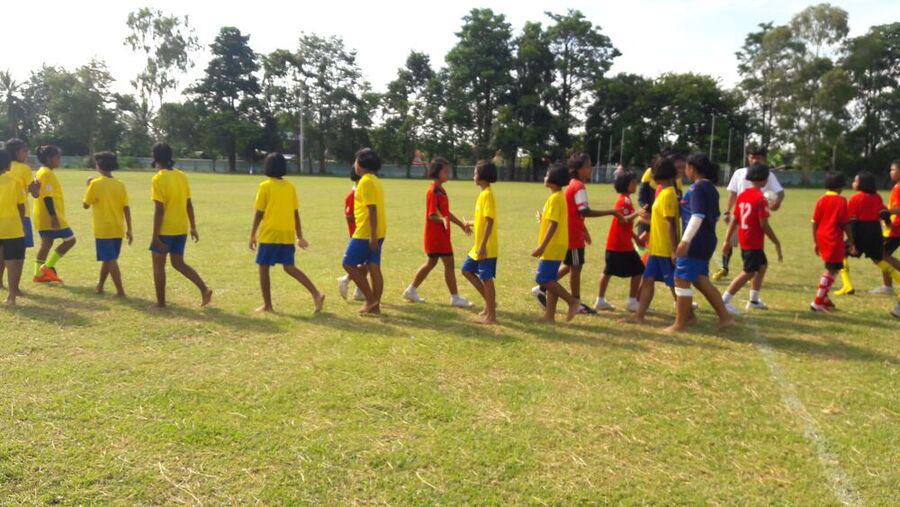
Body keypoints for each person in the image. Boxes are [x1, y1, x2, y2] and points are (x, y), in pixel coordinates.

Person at [532, 153, 619, 313]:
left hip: (569, 234)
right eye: (588, 166)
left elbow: (573, 213)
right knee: (575, 268)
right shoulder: (578, 186)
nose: (591, 169)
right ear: (578, 169)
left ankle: (545, 291)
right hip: (570, 236)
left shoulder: (570, 186)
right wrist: (612, 212)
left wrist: (584, 230)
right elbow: (584, 211)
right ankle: (574, 302)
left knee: (571, 266)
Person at [666, 153, 735, 332]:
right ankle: (725, 318)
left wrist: (685, 241)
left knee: (680, 279)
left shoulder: (697, 188)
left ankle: (681, 323)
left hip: (695, 242)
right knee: (700, 280)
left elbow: (697, 215)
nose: (685, 171)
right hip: (706, 240)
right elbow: (715, 216)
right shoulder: (711, 188)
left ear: (692, 168)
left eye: (686, 168)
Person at [249, 153, 325, 313]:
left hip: (270, 234)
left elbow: (259, 213)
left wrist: (252, 235)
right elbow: (295, 213)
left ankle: (267, 305)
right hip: (287, 234)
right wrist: (299, 236)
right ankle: (316, 293)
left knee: (263, 267)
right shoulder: (290, 187)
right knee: (289, 267)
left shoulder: (265, 186)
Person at [149, 142, 213, 308]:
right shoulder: (181, 176)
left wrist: (155, 236)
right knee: (178, 263)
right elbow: (188, 203)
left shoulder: (158, 179)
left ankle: (160, 303)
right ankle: (204, 289)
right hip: (181, 228)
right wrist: (193, 226)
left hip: (165, 230)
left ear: (155, 157)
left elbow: (159, 210)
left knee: (158, 265)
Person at [403, 157, 472, 306]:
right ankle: (455, 298)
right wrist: (444, 221)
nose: (448, 173)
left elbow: (445, 212)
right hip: (437, 236)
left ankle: (411, 290)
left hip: (440, 235)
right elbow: (432, 215)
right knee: (449, 263)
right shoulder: (434, 191)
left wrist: (461, 224)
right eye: (445, 171)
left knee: (431, 262)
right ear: (437, 172)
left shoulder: (440, 189)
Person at [713, 145, 785, 281]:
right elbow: (733, 194)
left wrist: (777, 202)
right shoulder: (739, 173)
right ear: (748, 158)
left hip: (756, 217)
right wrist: (727, 211)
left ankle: (751, 270)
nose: (755, 160)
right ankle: (724, 267)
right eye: (752, 157)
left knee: (751, 245)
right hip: (739, 213)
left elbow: (780, 192)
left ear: (764, 158)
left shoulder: (768, 174)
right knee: (730, 240)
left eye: (758, 158)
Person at [720, 164, 783, 314]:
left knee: (762, 266)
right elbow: (763, 224)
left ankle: (754, 300)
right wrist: (776, 242)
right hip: (753, 241)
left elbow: (735, 219)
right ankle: (723, 301)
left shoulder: (743, 195)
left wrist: (727, 240)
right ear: (765, 180)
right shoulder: (760, 199)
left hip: (745, 238)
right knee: (748, 272)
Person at [630, 157, 680, 324]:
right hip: (655, 248)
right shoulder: (663, 192)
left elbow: (670, 224)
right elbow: (660, 221)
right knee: (647, 280)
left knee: (674, 284)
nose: (651, 176)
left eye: (654, 172)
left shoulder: (669, 194)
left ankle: (687, 316)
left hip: (665, 249)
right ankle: (639, 317)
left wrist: (674, 250)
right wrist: (645, 219)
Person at [532, 163, 581, 323]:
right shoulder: (558, 196)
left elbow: (553, 225)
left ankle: (572, 301)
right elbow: (553, 221)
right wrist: (543, 220)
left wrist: (542, 246)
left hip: (552, 246)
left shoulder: (555, 198)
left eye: (547, 175)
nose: (544, 177)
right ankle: (549, 316)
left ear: (553, 179)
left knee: (542, 279)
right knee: (551, 279)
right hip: (558, 245)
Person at [839, 171, 900, 294]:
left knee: (841, 255)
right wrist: (888, 223)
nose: (853, 183)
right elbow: (884, 213)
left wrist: (851, 241)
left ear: (862, 184)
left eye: (855, 181)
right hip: (875, 233)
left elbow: (851, 220)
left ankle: (847, 285)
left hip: (860, 232)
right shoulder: (877, 197)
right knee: (878, 259)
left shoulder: (856, 198)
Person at [342, 148, 386, 314]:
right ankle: (375, 307)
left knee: (348, 263)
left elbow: (372, 209)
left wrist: (372, 236)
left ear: (360, 164)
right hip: (378, 230)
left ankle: (370, 299)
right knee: (373, 267)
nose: (354, 164)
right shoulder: (375, 180)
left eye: (355, 161)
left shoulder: (365, 181)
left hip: (366, 232)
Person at [82, 152, 132, 297]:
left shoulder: (95, 184)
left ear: (99, 166)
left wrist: (88, 187)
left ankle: (120, 291)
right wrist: (129, 229)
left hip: (103, 229)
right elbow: (126, 208)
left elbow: (86, 205)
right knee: (109, 258)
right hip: (118, 228)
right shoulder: (120, 184)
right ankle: (100, 286)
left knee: (110, 259)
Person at [595, 170, 644, 312]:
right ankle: (632, 301)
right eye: (633, 182)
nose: (636, 184)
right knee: (639, 270)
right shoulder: (624, 201)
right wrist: (637, 213)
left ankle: (600, 300)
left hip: (618, 243)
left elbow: (625, 225)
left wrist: (635, 238)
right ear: (625, 185)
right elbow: (623, 221)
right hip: (620, 245)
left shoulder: (625, 199)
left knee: (608, 271)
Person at [810, 173, 855, 312]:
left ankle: (824, 298)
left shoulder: (821, 199)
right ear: (840, 186)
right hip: (834, 238)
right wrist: (851, 240)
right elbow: (845, 223)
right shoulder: (841, 201)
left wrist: (815, 241)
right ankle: (817, 302)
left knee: (835, 268)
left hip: (822, 237)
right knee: (831, 270)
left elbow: (814, 222)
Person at [461, 160, 499, 324]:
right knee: (466, 270)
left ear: (482, 176)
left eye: (475, 173)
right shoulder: (483, 194)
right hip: (479, 246)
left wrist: (483, 246)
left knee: (486, 278)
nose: (473, 176)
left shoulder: (487, 195)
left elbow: (489, 221)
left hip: (486, 247)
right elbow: (482, 220)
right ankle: (490, 304)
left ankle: (492, 316)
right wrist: (470, 223)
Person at [32, 145, 76, 283]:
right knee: (70, 240)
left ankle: (38, 275)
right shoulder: (47, 174)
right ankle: (47, 267)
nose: (59, 160)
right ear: (49, 159)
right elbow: (47, 197)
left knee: (46, 244)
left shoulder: (41, 171)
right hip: (50, 215)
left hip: (41, 215)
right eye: (57, 157)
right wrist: (53, 217)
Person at [0, 139, 37, 292]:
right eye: (24, 151)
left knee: (2, 251)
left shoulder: (6, 165)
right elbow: (34, 192)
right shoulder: (24, 168)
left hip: (3, 216)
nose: (26, 154)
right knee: (17, 254)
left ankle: (0, 282)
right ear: (16, 152)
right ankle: (15, 288)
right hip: (20, 216)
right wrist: (37, 186)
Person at [0, 149, 26, 305]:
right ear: (7, 164)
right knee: (13, 261)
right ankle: (11, 296)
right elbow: (21, 206)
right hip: (12, 227)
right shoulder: (14, 181)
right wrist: (21, 222)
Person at [870, 160, 900, 295]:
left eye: (893, 169)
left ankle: (888, 286)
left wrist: (887, 212)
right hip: (893, 227)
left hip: (896, 228)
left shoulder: (898, 188)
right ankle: (887, 286)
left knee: (880, 254)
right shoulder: (897, 187)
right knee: (883, 254)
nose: (890, 172)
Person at [337, 169, 365, 302]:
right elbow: (349, 216)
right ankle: (346, 280)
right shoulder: (352, 196)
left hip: (364, 233)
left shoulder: (363, 193)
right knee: (363, 264)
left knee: (365, 264)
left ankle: (359, 290)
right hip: (358, 234)